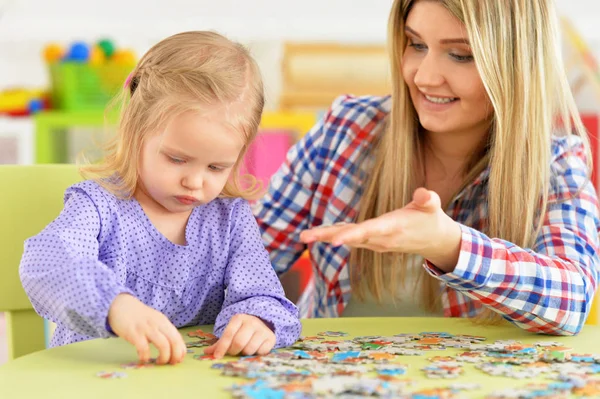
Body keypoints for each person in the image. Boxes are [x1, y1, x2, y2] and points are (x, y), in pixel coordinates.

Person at [254, 0, 600, 335]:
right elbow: (246, 259)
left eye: (461, 55)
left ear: (516, 65)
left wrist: (447, 244)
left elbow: (571, 303)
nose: (425, 77)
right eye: (416, 44)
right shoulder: (347, 129)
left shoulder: (556, 163)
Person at [19, 31, 301, 364]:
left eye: (216, 166)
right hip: (93, 380)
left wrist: (258, 321)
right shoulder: (98, 205)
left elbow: (262, 295)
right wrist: (115, 306)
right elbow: (46, 262)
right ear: (135, 131)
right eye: (177, 159)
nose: (194, 181)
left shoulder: (231, 220)